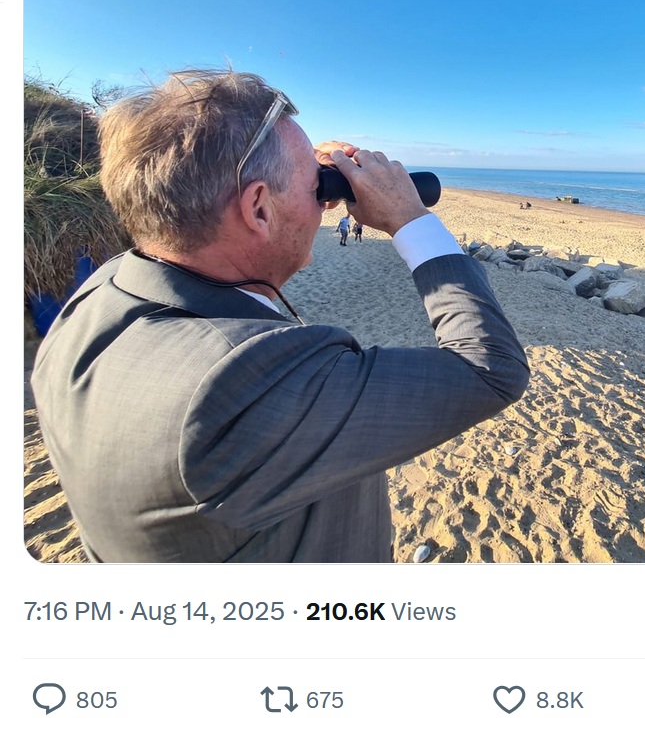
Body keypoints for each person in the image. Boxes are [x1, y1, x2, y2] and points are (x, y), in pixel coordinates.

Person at [31, 70, 529, 562]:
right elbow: (489, 370)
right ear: (259, 210)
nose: (323, 204)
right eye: (316, 188)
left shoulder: (100, 293)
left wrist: (294, 167)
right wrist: (409, 217)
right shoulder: (239, 380)